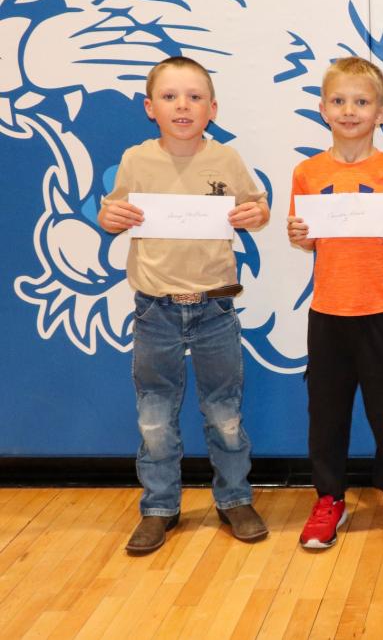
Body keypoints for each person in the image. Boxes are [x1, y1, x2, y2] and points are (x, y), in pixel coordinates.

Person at [99, 56, 270, 555]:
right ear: (150, 107)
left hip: (216, 308)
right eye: (171, 97)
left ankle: (235, 498)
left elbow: (257, 208)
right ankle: (159, 507)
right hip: (155, 308)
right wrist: (110, 215)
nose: (183, 105)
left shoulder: (228, 160)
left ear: (212, 109)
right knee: (154, 416)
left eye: (195, 97)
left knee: (226, 414)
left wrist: (256, 212)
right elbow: (114, 211)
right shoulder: (136, 159)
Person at [287, 57, 383, 549]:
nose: (350, 111)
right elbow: (304, 238)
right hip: (328, 313)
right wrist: (299, 234)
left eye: (361, 102)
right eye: (340, 102)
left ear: (381, 113)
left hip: (381, 313)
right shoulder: (307, 172)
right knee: (326, 413)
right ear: (323, 109)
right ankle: (329, 498)